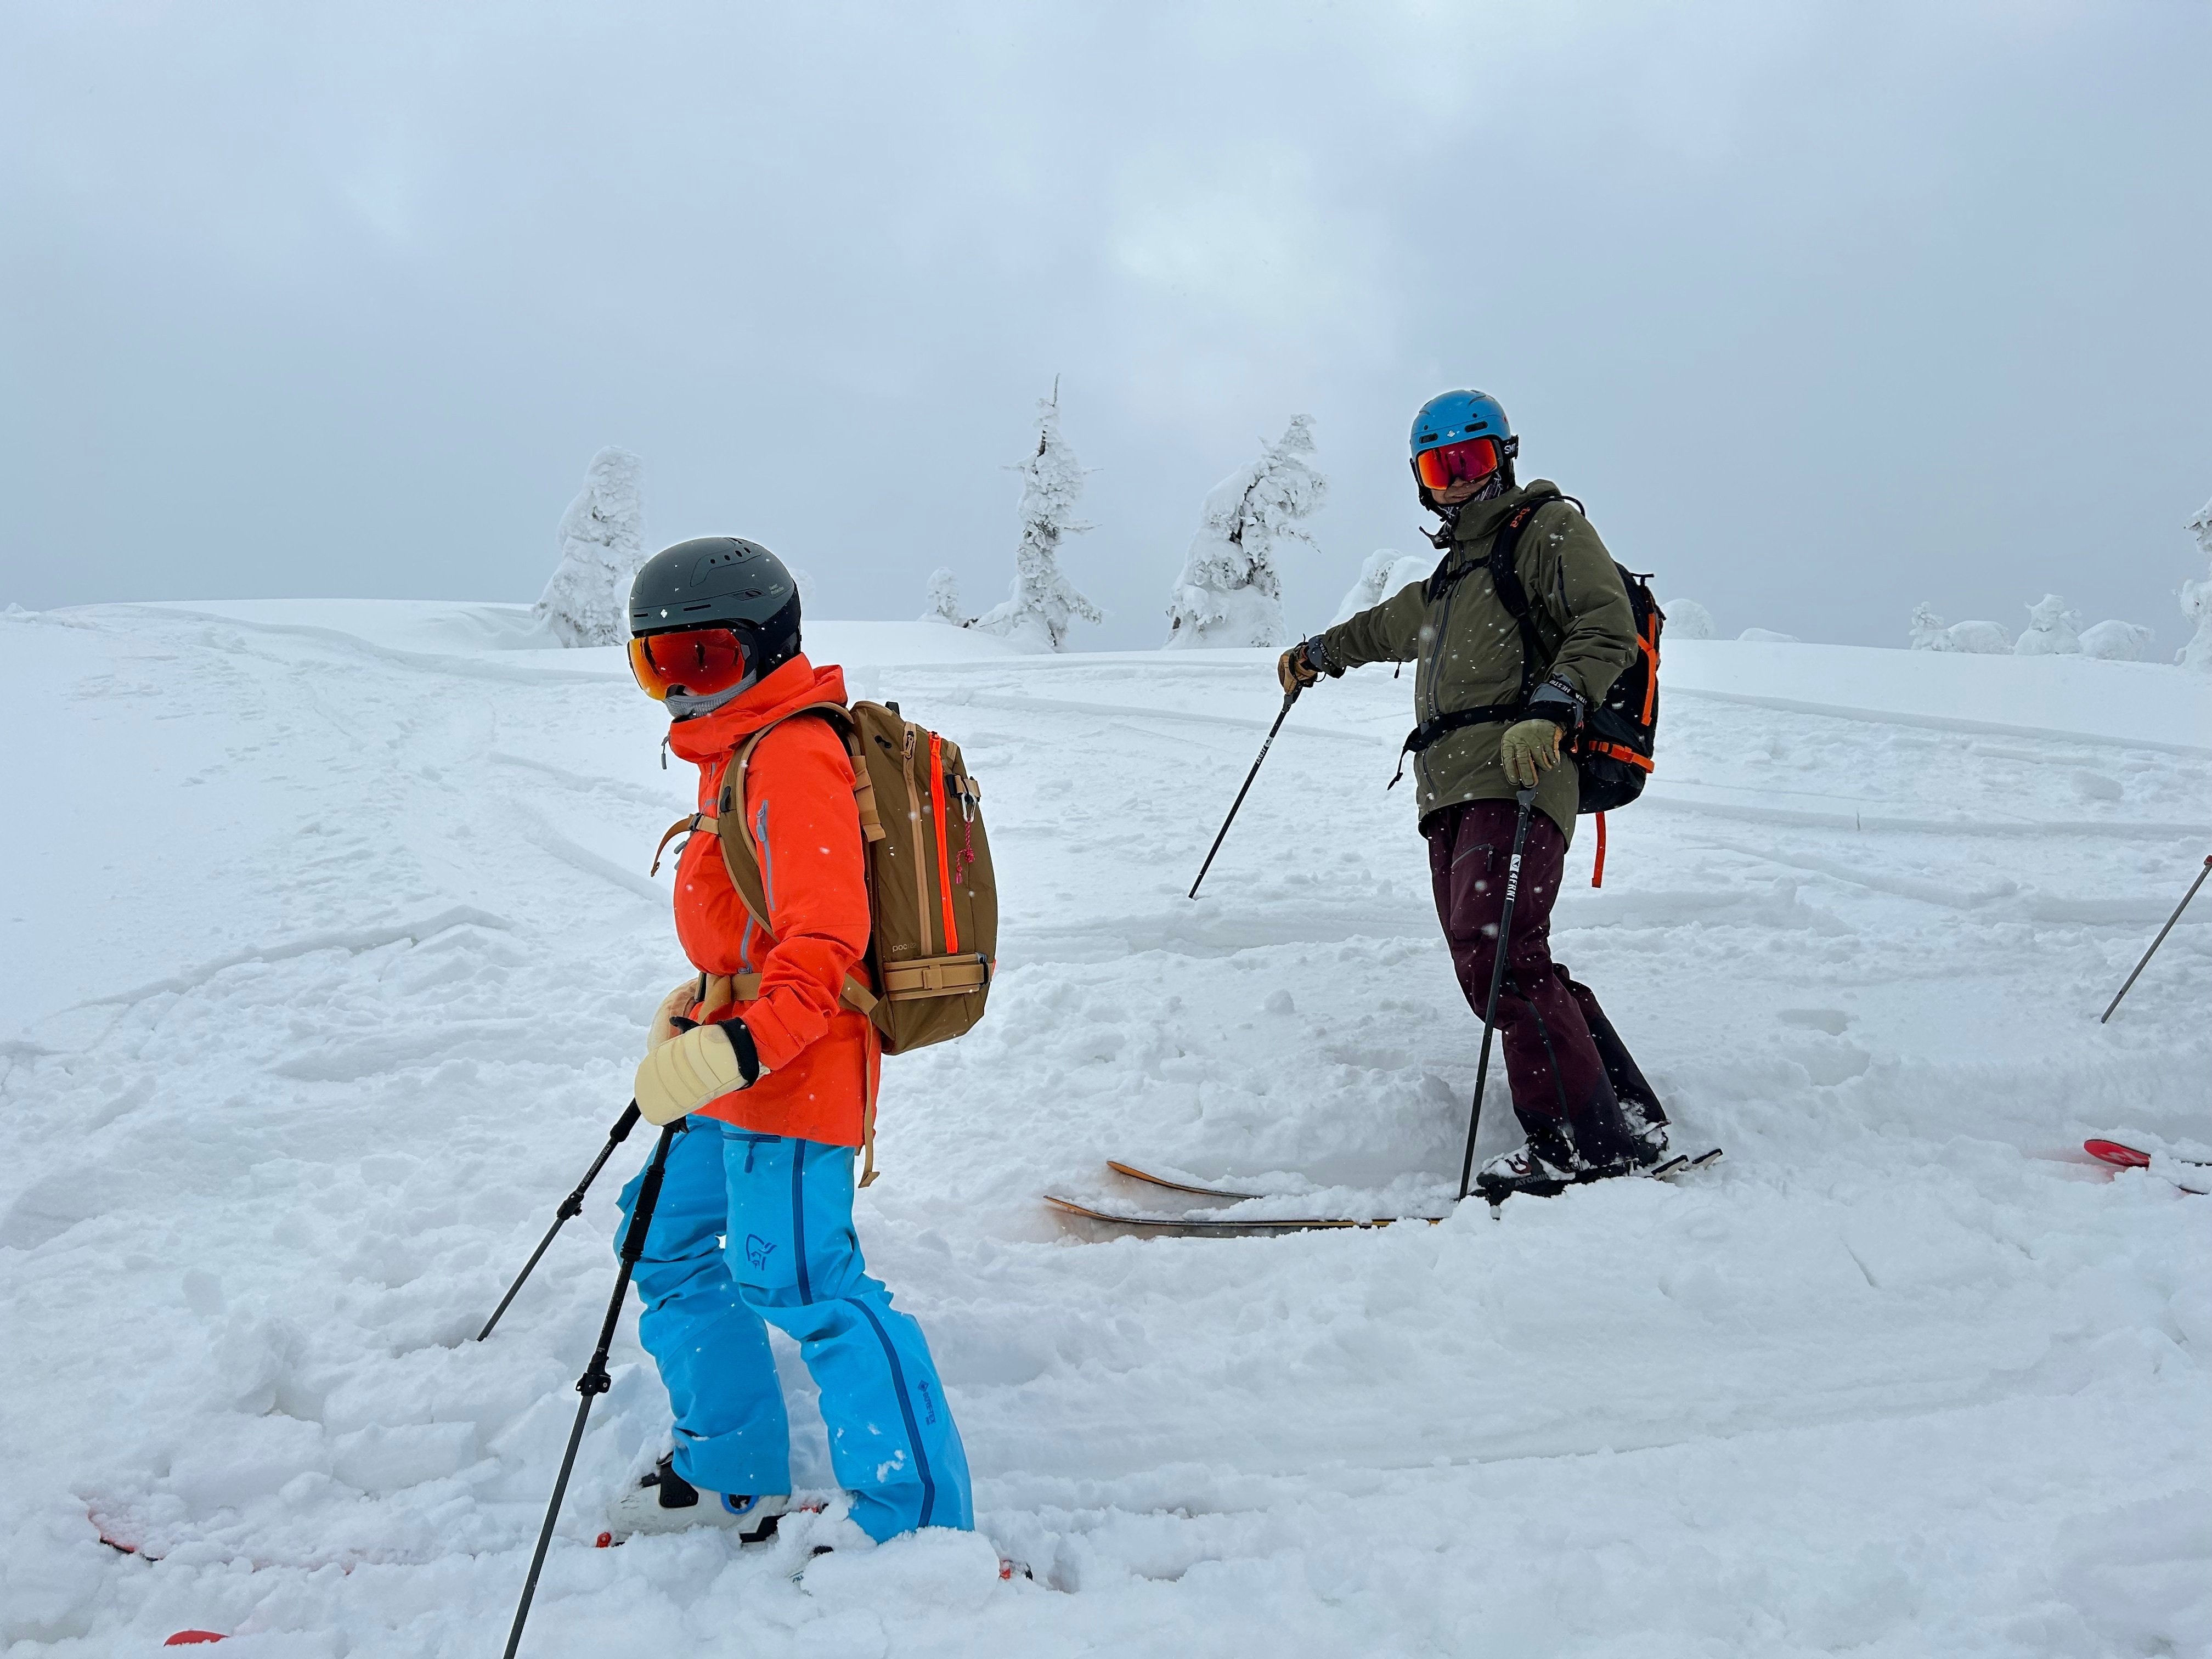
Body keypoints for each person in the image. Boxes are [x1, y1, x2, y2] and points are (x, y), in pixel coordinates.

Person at [607, 535, 973, 1544]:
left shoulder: (793, 754)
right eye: (657, 666)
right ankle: (732, 1470)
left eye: (704, 660)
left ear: (767, 648)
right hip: (741, 1051)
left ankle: (919, 1527)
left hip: (796, 1069)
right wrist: (703, 1001)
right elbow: (761, 929)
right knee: (664, 1238)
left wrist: (739, 1044)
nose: (680, 691)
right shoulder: (736, 750)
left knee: (807, 1286)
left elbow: (823, 942)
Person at [1278, 391, 1672, 1198]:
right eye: (1440, 467)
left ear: (1505, 460)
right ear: (1422, 481)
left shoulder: (1547, 531)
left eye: (1473, 461)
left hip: (1522, 773)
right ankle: (1625, 1111)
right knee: (1494, 960)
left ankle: (1580, 1144)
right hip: (1450, 793)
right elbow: (1379, 628)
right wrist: (1317, 653)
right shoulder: (1449, 583)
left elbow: (1604, 626)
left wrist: (1556, 706)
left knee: (1500, 956)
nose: (1458, 481)